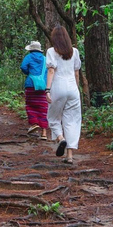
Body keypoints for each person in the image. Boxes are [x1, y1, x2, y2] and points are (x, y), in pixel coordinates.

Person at [45, 26, 82, 164]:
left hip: (58, 87)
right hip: (73, 88)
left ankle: (61, 139)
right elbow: (76, 72)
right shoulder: (75, 52)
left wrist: (47, 90)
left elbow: (51, 71)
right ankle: (70, 156)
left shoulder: (51, 52)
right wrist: (76, 89)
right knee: (72, 120)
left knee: (53, 117)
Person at [20, 41, 48, 140]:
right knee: (43, 108)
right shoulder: (45, 59)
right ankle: (44, 133)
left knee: (30, 106)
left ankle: (35, 123)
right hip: (43, 87)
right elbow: (48, 72)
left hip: (30, 85)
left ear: (31, 49)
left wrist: (28, 73)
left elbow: (23, 67)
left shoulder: (29, 57)